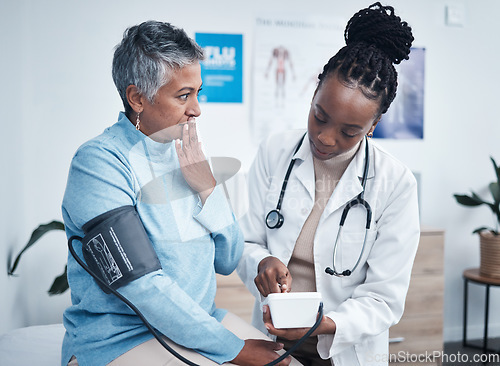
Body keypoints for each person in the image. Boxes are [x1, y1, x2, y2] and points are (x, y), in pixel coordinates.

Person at [61, 21, 295, 366]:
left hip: (201, 322)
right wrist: (235, 349)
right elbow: (142, 285)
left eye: (198, 93)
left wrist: (207, 189)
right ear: (137, 98)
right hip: (122, 340)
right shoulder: (99, 163)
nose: (197, 109)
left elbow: (228, 260)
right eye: (184, 95)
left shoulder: (185, 155)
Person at [237, 3, 419, 366]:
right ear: (315, 89)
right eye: (319, 116)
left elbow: (384, 298)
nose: (325, 138)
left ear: (374, 124)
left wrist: (322, 324)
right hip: (274, 344)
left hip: (345, 351)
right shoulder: (276, 152)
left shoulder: (395, 183)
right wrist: (263, 261)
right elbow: (246, 240)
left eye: (349, 132)